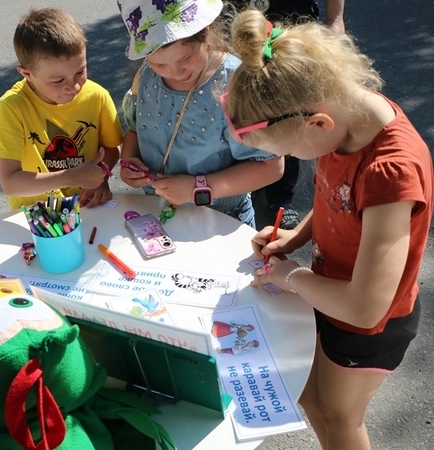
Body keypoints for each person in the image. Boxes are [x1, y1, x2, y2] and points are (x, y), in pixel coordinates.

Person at [226, 10, 432, 449]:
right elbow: (334, 198)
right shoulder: (344, 113)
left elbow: (365, 309)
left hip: (369, 326)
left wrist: (291, 276)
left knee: (340, 417)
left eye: (291, 151)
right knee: (314, 400)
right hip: (329, 294)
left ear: (318, 123)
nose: (300, 161)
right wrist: (296, 237)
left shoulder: (390, 172)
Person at [117, 0, 282, 228]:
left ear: (206, 31)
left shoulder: (236, 85)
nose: (176, 72)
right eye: (159, 64)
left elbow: (271, 167)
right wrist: (129, 160)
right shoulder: (145, 76)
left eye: (185, 58)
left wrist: (199, 187)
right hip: (160, 215)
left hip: (221, 222)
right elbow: (136, 129)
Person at [0, 7, 123, 211]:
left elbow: (112, 147)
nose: (74, 86)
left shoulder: (97, 96)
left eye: (80, 71)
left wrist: (101, 176)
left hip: (88, 207)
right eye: (58, 81)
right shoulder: (13, 107)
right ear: (27, 74)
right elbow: (10, 182)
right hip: (40, 216)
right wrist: (71, 176)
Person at [226, 0, 346, 229]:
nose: (280, 157)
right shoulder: (342, 147)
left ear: (318, 123)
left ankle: (280, 195)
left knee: (285, 116)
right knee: (266, 121)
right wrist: (298, 235)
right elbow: (334, 204)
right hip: (243, 23)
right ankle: (251, 183)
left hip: (290, 13)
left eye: (286, 153)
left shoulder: (382, 166)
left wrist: (335, 19)